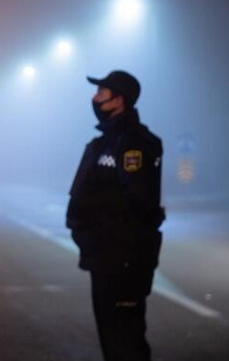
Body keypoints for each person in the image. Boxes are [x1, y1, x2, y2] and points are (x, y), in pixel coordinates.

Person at [66, 70, 165, 361]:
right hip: (104, 258)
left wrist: (121, 245)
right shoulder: (103, 143)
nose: (95, 98)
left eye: (101, 92)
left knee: (126, 342)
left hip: (125, 261)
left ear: (118, 100)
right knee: (111, 340)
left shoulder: (135, 143)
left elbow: (141, 202)